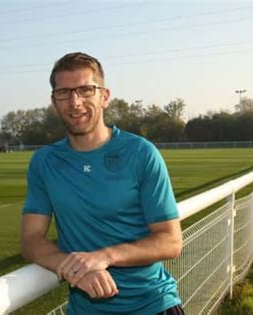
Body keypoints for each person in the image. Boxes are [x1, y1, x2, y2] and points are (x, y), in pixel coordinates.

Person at [21, 52, 184, 315]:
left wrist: (103, 257)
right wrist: (75, 269)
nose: (75, 102)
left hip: (152, 305)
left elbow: (171, 241)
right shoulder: (44, 162)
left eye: (86, 90)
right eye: (64, 92)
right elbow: (30, 239)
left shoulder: (141, 153)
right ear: (54, 102)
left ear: (104, 96)